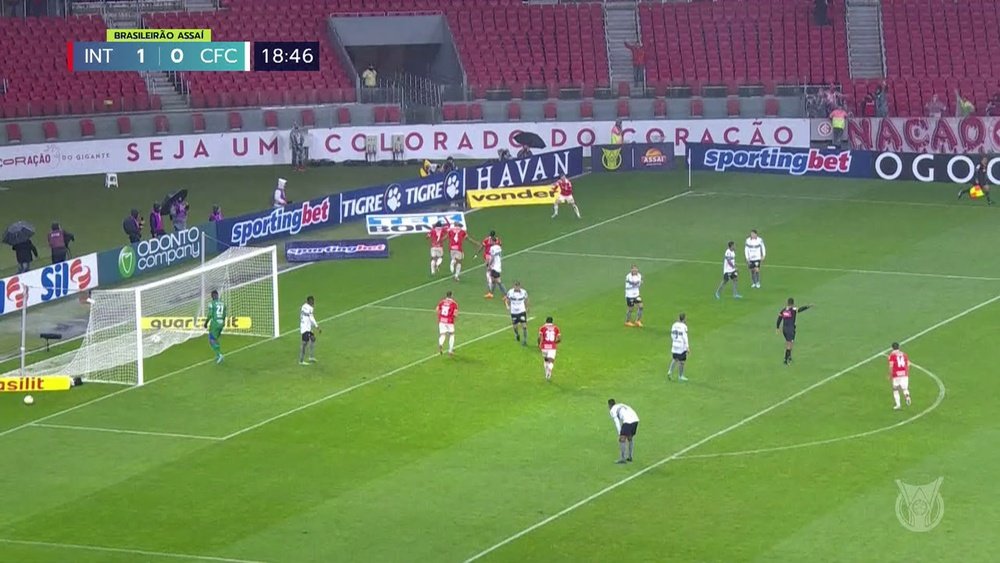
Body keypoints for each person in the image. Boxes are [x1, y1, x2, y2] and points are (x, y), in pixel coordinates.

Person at [776, 297, 812, 365]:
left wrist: (777, 327)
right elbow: (800, 309)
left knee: (789, 343)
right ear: (793, 303)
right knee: (789, 344)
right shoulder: (793, 309)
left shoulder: (783, 310)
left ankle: (789, 357)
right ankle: (786, 359)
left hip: (784, 329)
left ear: (787, 303)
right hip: (790, 329)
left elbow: (779, 318)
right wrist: (808, 306)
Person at [607, 399, 639, 464]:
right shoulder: (620, 405)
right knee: (630, 437)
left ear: (610, 405)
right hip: (635, 419)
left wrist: (620, 433)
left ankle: (622, 459)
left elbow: (617, 422)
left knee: (622, 439)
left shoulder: (612, 410)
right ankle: (630, 457)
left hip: (628, 421)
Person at [474, 230, 500, 297]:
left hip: (488, 256)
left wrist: (477, 253)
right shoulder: (497, 240)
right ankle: (492, 280)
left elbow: (482, 247)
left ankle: (490, 281)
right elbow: (500, 246)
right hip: (494, 257)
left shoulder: (486, 240)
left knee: (488, 269)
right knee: (492, 268)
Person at [203, 289, 227, 364]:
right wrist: (222, 323)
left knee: (211, 339)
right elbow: (224, 315)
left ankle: (219, 355)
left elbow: (210, 315)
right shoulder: (223, 304)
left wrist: (206, 323)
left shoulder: (211, 304)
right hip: (221, 323)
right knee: (216, 338)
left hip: (215, 323)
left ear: (212, 296)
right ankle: (218, 355)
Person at [888, 342, 912, 410]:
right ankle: (907, 396)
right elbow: (908, 364)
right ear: (899, 347)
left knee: (895, 389)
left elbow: (891, 366)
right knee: (905, 388)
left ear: (892, 348)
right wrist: (906, 372)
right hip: (904, 374)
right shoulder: (904, 354)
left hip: (896, 375)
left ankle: (898, 405)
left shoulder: (892, 355)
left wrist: (890, 375)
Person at [504, 280, 529, 346]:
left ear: (519, 286)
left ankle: (525, 340)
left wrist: (527, 308)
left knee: (524, 326)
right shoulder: (510, 292)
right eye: (515, 286)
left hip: (522, 311)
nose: (517, 288)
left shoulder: (524, 292)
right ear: (514, 286)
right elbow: (506, 299)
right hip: (514, 312)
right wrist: (507, 305)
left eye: (518, 286)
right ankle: (517, 334)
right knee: (515, 327)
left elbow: (526, 300)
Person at [537, 316, 561, 381]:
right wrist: (554, 342)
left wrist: (539, 345)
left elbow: (539, 338)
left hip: (544, 347)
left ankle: (546, 374)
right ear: (552, 321)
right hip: (552, 347)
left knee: (546, 360)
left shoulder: (542, 328)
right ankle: (550, 369)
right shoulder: (556, 328)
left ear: (546, 321)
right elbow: (559, 339)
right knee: (551, 361)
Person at [299, 295, 321, 365]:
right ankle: (301, 361)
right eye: (312, 301)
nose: (313, 302)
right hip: (305, 328)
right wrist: (317, 327)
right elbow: (311, 318)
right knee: (304, 344)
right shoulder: (310, 308)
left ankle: (311, 357)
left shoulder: (303, 306)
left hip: (306, 327)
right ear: (308, 301)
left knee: (313, 338)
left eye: (313, 301)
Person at [667, 313, 689, 382]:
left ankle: (670, 371)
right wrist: (687, 346)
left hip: (674, 345)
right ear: (684, 319)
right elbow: (685, 337)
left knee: (675, 358)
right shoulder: (684, 326)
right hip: (681, 346)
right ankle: (680, 376)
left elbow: (672, 334)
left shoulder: (674, 325)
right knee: (682, 361)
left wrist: (674, 340)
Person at [436, 290, 458, 356]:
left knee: (442, 334)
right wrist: (453, 318)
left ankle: (440, 344)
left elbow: (437, 309)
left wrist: (439, 317)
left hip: (442, 320)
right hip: (449, 321)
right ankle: (450, 351)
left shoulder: (441, 302)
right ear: (451, 295)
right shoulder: (454, 303)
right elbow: (455, 314)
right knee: (452, 335)